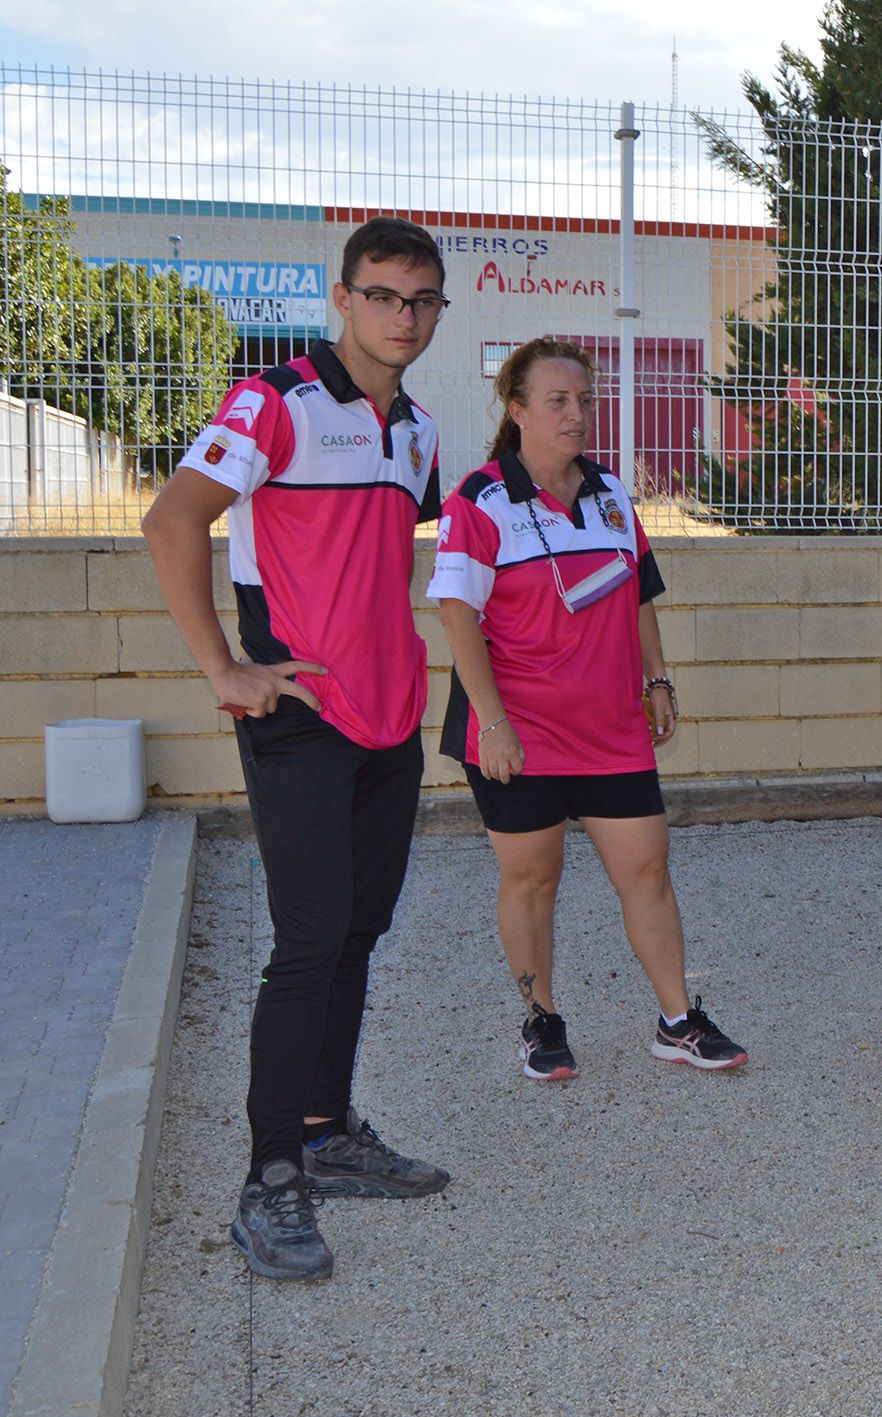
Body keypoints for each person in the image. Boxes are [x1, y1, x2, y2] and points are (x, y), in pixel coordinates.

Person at [141, 217, 454, 1283]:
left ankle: (326, 1133)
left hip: (388, 719)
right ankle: (268, 1176)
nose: (401, 316)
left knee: (359, 932)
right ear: (342, 296)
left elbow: (379, 564)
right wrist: (223, 668)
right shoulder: (275, 402)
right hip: (300, 716)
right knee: (309, 940)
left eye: (420, 300)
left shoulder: (416, 430)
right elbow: (173, 519)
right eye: (382, 295)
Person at [427, 338, 745, 1082]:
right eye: (557, 402)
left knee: (648, 870)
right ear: (518, 410)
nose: (577, 415)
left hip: (610, 729)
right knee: (533, 879)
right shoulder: (478, 500)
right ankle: (540, 1021)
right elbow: (455, 617)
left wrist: (658, 680)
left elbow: (636, 593)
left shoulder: (608, 493)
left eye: (585, 401)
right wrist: (495, 723)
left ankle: (677, 1019)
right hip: (519, 732)